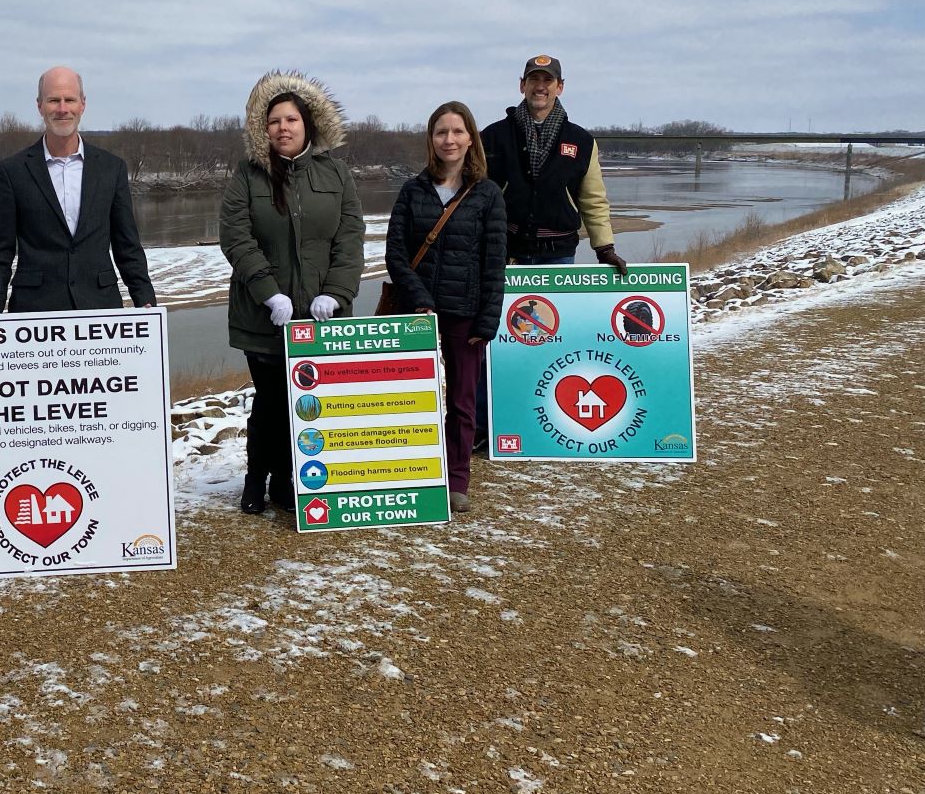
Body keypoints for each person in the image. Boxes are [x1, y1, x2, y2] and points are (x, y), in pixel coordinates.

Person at [220, 70, 364, 515]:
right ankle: (255, 479)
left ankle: (289, 480)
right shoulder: (248, 175)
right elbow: (236, 237)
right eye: (274, 121)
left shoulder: (336, 173)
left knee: (306, 399)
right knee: (270, 401)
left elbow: (350, 236)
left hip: (321, 315)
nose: (283, 127)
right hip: (264, 315)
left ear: (308, 125)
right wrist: (269, 293)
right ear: (262, 129)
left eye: (291, 120)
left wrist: (336, 293)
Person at [384, 101, 507, 514]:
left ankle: (457, 479)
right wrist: (419, 299)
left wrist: (488, 319)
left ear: (470, 138)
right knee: (405, 396)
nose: (449, 139)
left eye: (456, 131)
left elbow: (494, 262)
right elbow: (396, 254)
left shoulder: (488, 194)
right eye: (441, 132)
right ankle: (407, 473)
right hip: (416, 312)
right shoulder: (412, 190)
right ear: (431, 140)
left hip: (465, 311)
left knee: (462, 401)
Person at [0, 66, 155, 314]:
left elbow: (127, 246)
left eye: (69, 100)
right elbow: (0, 249)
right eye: (53, 100)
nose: (62, 109)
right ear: (40, 105)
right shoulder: (13, 171)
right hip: (35, 314)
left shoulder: (112, 169)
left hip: (100, 311)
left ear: (82, 104)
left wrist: (145, 299)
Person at [482, 55, 626, 274]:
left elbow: (593, 200)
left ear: (560, 87)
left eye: (547, 80)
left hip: (559, 256)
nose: (540, 87)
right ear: (523, 85)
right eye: (533, 80)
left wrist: (604, 248)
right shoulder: (493, 136)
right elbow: (475, 195)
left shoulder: (582, 141)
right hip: (503, 251)